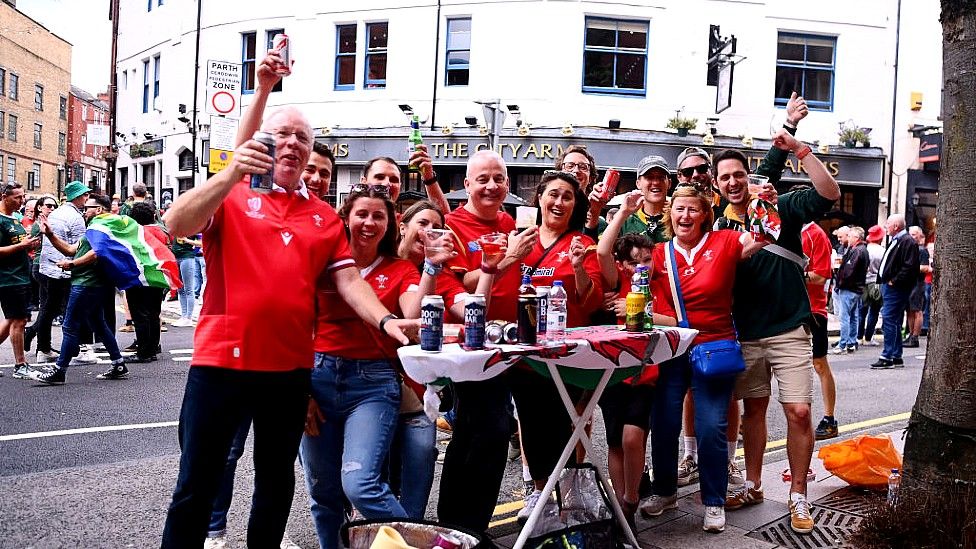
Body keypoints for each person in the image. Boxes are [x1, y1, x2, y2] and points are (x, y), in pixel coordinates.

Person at [159, 49, 415, 546]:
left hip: (288, 371)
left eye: (304, 137)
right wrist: (232, 169)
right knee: (198, 483)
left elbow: (349, 281)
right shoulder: (231, 195)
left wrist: (385, 322)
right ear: (265, 143)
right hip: (221, 364)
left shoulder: (323, 218)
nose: (293, 144)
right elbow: (175, 224)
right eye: (284, 135)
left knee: (275, 486)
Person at [714, 131, 841, 536]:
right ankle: (753, 485)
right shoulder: (717, 228)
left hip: (789, 328)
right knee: (753, 410)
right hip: (747, 332)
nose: (732, 182)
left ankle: (799, 494)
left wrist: (801, 150)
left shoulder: (780, 206)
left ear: (747, 177)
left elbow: (829, 192)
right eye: (724, 178)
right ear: (717, 185)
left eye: (738, 174)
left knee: (800, 411)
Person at [639, 185, 767, 533]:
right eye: (679, 209)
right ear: (670, 213)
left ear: (705, 214)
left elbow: (766, 234)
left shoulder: (725, 241)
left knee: (711, 427)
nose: (685, 216)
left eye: (693, 210)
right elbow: (624, 275)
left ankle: (714, 500)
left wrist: (759, 199)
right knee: (664, 423)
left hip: (714, 348)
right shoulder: (658, 252)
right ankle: (664, 491)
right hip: (672, 347)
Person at [300, 184, 421, 548]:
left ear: (391, 223)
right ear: (347, 218)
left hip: (373, 383)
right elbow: (297, 323)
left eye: (378, 216)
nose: (369, 222)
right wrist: (300, 389)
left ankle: (420, 543)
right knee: (323, 494)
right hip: (317, 379)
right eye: (362, 214)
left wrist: (430, 267)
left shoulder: (401, 269)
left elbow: (412, 315)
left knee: (360, 484)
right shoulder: (321, 261)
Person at [438, 150, 538, 531]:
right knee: (489, 430)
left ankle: (461, 527)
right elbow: (461, 283)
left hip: (511, 343)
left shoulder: (510, 221)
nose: (491, 186)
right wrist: (510, 257)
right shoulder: (454, 225)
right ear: (466, 185)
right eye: (482, 179)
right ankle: (465, 526)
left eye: (498, 178)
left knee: (480, 433)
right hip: (472, 345)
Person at [391, 199, 498, 519]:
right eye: (421, 224)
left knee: (421, 456)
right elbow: (411, 317)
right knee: (368, 475)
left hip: (418, 390)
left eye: (436, 227)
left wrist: (491, 268)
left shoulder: (443, 273)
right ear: (402, 226)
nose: (428, 233)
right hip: (370, 380)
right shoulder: (381, 263)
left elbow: (471, 309)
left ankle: (416, 534)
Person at [514, 170, 604, 521]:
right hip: (523, 350)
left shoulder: (583, 243)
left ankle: (562, 492)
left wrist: (579, 267)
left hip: (565, 351)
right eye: (553, 194)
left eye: (567, 196)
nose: (559, 202)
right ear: (539, 198)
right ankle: (539, 492)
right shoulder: (520, 239)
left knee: (561, 423)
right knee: (531, 421)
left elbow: (591, 298)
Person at [596, 190, 671, 525]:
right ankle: (621, 506)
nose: (641, 266)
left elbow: (677, 321)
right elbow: (601, 250)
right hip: (612, 373)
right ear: (622, 264)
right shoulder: (616, 280)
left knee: (632, 436)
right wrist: (621, 213)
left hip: (645, 374)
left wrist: (642, 309)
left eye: (647, 259)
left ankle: (631, 495)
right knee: (614, 441)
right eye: (633, 261)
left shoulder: (660, 285)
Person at [30, 193, 129, 384]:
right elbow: (71, 249)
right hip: (90, 283)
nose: (85, 211)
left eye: (88, 208)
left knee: (69, 326)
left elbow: (96, 253)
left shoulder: (102, 228)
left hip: (86, 283)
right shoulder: (94, 228)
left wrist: (73, 265)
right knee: (98, 323)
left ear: (98, 210)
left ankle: (59, 371)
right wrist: (50, 234)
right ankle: (118, 363)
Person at [25, 181, 92, 365]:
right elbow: (80, 246)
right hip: (64, 268)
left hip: (47, 267)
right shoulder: (75, 217)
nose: (87, 198)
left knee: (49, 307)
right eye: (84, 195)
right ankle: (78, 349)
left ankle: (43, 348)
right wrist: (77, 265)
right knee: (73, 308)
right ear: (77, 197)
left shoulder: (56, 214)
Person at [800, 218, 839, 440]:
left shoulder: (815, 234)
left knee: (819, 363)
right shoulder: (785, 229)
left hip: (813, 310)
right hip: (788, 309)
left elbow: (821, 275)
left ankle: (829, 419)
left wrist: (793, 274)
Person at [0, 183, 40, 379]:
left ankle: (20, 364)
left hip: (21, 275)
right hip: (9, 278)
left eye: (22, 196)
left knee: (11, 321)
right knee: (19, 320)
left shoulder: (15, 219)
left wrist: (30, 243)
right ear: (4, 197)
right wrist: (22, 245)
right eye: (17, 197)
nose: (21, 201)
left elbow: (19, 244)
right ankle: (20, 364)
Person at [122, 201, 170, 363]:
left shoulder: (136, 233)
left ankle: (144, 352)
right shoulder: (161, 231)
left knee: (140, 314)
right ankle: (153, 347)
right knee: (153, 313)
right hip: (159, 277)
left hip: (140, 277)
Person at [870, 214, 919, 370]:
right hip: (891, 286)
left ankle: (887, 356)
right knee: (895, 320)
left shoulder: (907, 242)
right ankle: (896, 355)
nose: (886, 227)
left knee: (889, 319)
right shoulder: (898, 240)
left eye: (888, 224)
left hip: (896, 288)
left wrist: (894, 281)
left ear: (896, 226)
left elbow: (910, 267)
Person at [831, 226, 869, 354]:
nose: (848, 238)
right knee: (853, 316)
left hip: (849, 288)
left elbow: (848, 271)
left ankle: (842, 344)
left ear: (856, 238)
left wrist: (839, 283)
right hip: (857, 288)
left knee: (845, 317)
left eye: (850, 236)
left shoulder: (857, 251)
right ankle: (851, 342)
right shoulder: (862, 250)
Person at [619, 155, 670, 242]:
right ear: (638, 183)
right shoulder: (624, 221)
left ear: (669, 183)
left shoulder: (678, 218)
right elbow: (602, 252)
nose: (656, 182)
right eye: (649, 177)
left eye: (661, 177)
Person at [858, 225, 886, 346]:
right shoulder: (882, 251)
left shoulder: (864, 249)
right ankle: (868, 338)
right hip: (876, 283)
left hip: (863, 282)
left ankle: (859, 337)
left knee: (861, 311)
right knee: (874, 311)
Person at [903, 226, 930, 348]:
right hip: (909, 284)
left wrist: (909, 268)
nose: (912, 237)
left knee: (917, 310)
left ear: (920, 236)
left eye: (914, 234)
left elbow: (924, 267)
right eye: (911, 234)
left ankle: (915, 337)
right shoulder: (910, 249)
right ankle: (910, 334)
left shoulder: (922, 251)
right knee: (909, 310)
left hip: (917, 284)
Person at [171, 234, 200, 327]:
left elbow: (201, 243)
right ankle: (183, 316)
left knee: (188, 289)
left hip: (187, 257)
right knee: (180, 288)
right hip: (175, 257)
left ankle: (188, 318)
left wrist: (187, 240)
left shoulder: (193, 227)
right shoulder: (175, 226)